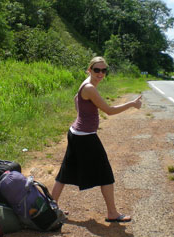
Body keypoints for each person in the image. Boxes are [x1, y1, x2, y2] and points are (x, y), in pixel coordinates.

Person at [51, 56, 142, 223]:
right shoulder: (90, 88)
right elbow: (109, 110)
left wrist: (83, 116)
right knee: (105, 173)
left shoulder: (86, 83)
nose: (100, 73)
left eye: (103, 70)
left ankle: (51, 207)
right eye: (97, 70)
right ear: (89, 70)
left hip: (76, 133)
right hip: (85, 137)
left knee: (65, 172)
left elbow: (75, 99)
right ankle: (112, 213)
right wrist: (131, 104)